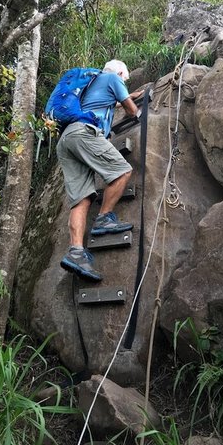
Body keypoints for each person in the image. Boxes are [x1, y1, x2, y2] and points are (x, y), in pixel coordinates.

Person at [57, 59, 143, 281]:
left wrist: (126, 97)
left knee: (81, 199)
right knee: (122, 171)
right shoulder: (113, 78)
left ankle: (76, 251)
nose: (124, 81)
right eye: (126, 78)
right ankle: (104, 218)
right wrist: (137, 110)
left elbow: (105, 104)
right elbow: (131, 110)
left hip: (66, 139)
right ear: (121, 72)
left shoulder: (91, 84)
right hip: (84, 133)